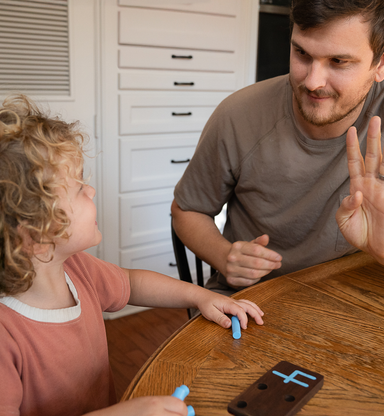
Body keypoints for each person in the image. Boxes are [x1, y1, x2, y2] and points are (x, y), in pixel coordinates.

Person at [0, 95, 264, 416]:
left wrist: (201, 297)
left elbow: (131, 282)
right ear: (34, 236)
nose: (92, 191)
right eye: (80, 188)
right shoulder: (6, 335)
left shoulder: (75, 269)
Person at [171, 0, 384, 295]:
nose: (312, 82)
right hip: (251, 297)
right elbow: (187, 210)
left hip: (354, 297)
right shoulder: (238, 114)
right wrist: (224, 256)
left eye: (338, 61)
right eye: (301, 53)